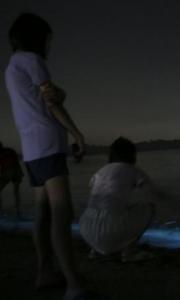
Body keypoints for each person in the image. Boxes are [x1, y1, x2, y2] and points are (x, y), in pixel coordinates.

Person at [5, 13, 90, 299]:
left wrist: (57, 93)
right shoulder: (32, 60)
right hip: (48, 144)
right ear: (36, 37)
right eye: (48, 38)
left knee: (42, 213)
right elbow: (52, 104)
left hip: (30, 151)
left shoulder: (11, 67)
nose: (50, 44)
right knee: (61, 214)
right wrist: (77, 134)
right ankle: (73, 285)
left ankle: (45, 272)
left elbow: (45, 96)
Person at [80, 137, 164, 262]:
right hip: (110, 229)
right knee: (149, 208)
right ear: (132, 154)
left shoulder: (99, 172)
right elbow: (153, 193)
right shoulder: (132, 170)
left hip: (86, 227)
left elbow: (97, 192)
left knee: (109, 208)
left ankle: (95, 251)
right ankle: (129, 252)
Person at [0, 142, 24, 217]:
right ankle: (18, 211)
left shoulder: (3, 153)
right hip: (17, 171)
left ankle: (1, 211)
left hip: (9, 172)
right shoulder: (10, 150)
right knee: (16, 192)